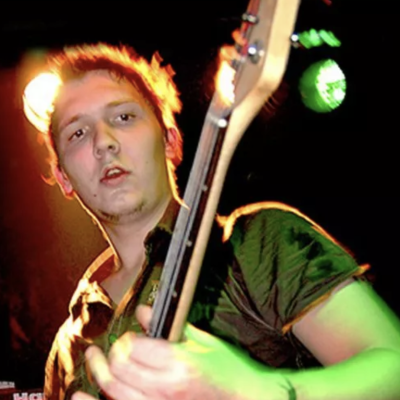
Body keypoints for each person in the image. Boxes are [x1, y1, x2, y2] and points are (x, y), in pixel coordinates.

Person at [24, 42, 400, 400]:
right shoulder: (68, 345)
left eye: (123, 117)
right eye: (78, 132)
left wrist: (256, 391)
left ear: (170, 141)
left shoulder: (258, 241)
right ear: (63, 178)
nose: (103, 142)